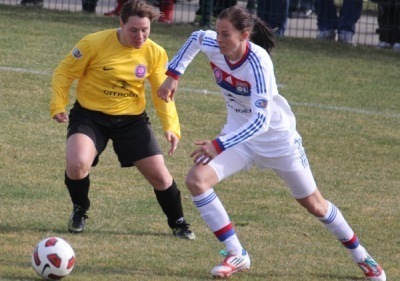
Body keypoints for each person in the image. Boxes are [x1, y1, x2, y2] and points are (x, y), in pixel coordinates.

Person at [157, 5, 386, 280]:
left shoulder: (258, 62)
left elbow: (260, 122)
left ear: (244, 35)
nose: (218, 39)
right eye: (217, 32)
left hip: (278, 140)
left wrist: (218, 144)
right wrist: (173, 76)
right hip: (239, 138)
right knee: (196, 180)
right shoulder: (214, 43)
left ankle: (363, 256)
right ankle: (236, 253)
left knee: (315, 205)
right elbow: (195, 38)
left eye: (225, 35)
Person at [50, 0, 195, 240]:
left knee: (160, 176)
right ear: (121, 24)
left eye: (145, 30)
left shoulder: (155, 52)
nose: (140, 36)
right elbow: (64, 73)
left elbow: (162, 93)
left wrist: (171, 127)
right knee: (77, 165)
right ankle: (80, 210)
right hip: (90, 117)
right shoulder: (93, 43)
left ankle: (179, 223)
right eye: (134, 30)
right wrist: (57, 104)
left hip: (131, 121)